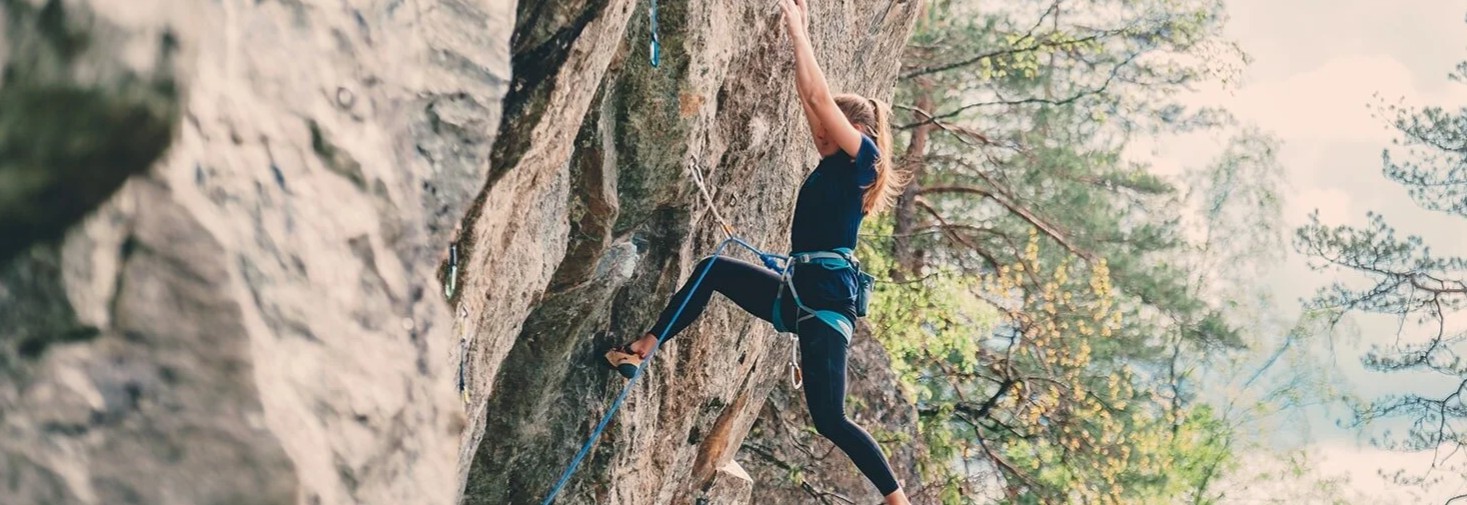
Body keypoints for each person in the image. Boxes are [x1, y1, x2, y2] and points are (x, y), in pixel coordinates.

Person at [603, 0, 911, 502]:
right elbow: (810, 98)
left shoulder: (864, 161)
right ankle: (645, 347)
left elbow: (818, 98)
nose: (817, 131)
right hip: (798, 295)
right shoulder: (834, 164)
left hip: (826, 307)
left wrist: (800, 34)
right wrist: (798, 37)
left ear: (852, 132)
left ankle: (897, 500)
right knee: (713, 270)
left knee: (830, 419)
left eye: (828, 127)